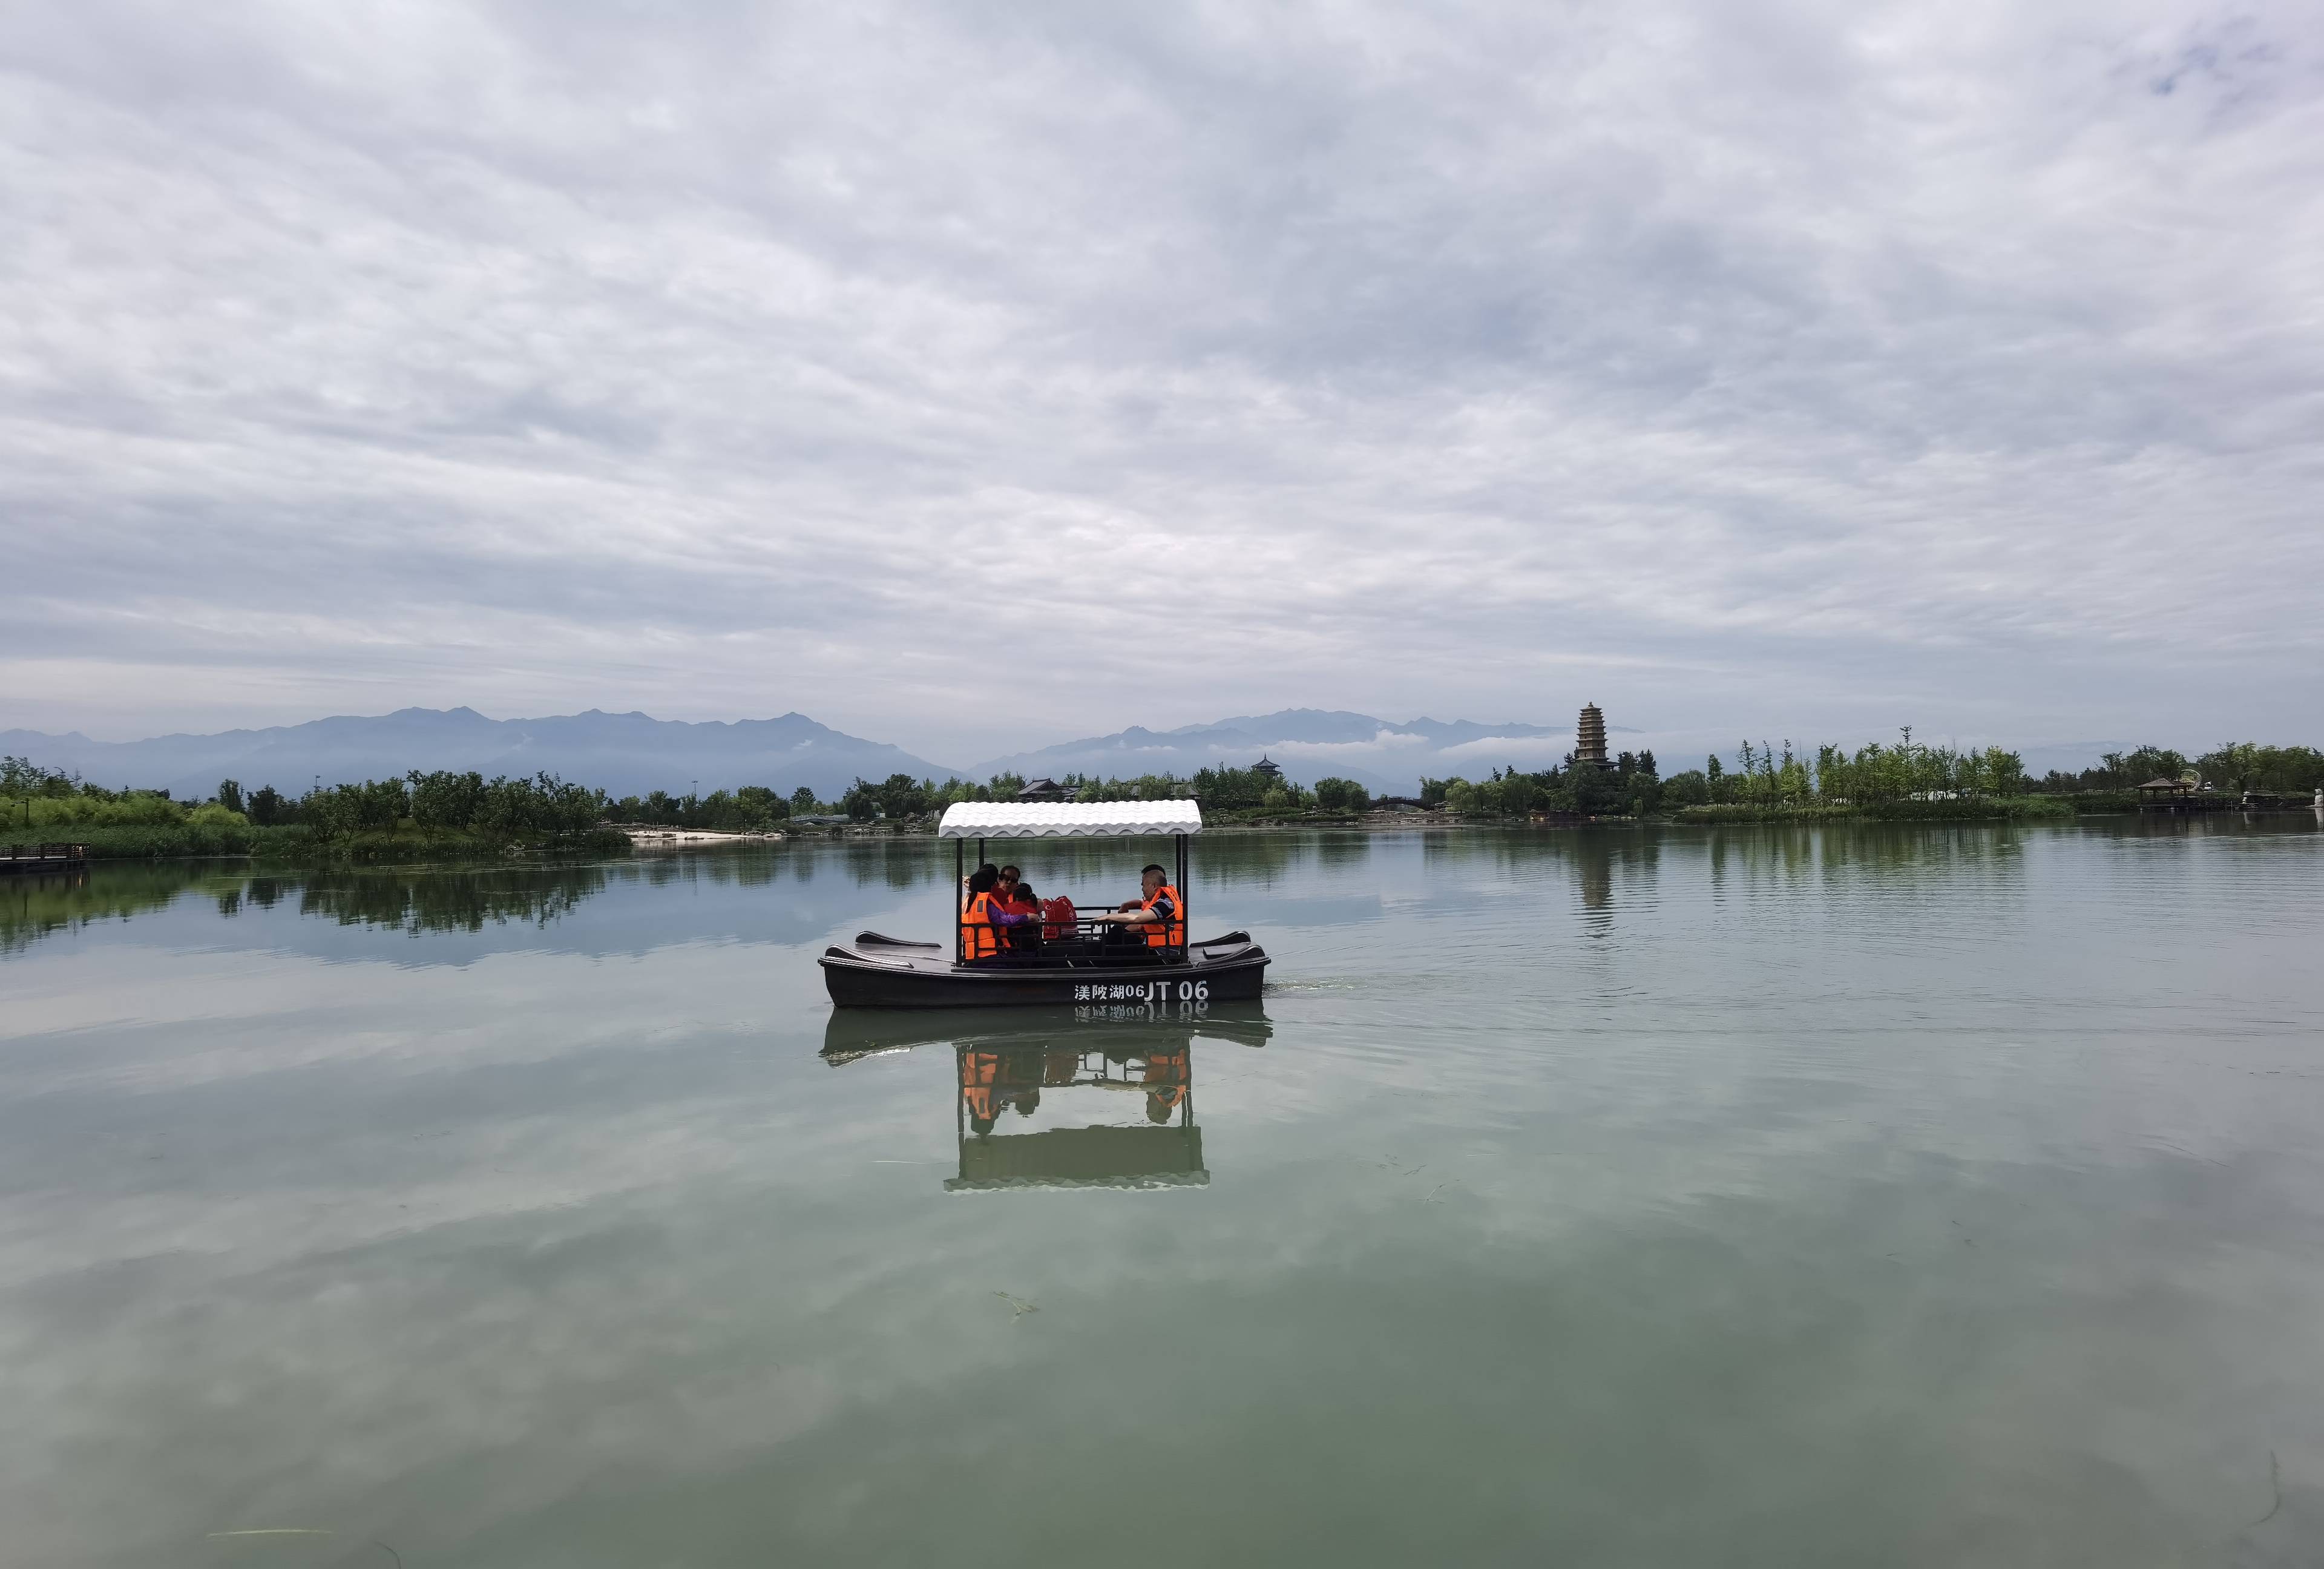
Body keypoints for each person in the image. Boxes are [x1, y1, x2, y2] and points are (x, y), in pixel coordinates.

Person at [1092, 863, 1184, 948]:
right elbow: (1141, 906)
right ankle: (1097, 956)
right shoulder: (1161, 900)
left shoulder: (1165, 903)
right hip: (1153, 947)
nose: (1142, 889)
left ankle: (1095, 958)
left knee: (1116, 935)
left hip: (1160, 954)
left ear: (1154, 886)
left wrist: (1109, 917)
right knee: (1116, 934)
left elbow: (1137, 918)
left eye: (1143, 885)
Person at [960, 865, 1042, 959]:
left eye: (1013, 880)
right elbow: (1003, 919)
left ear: (1017, 883)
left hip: (996, 946)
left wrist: (1038, 903)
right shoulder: (987, 900)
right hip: (993, 950)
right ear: (998, 879)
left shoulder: (1021, 894)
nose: (1008, 882)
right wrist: (1026, 917)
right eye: (1005, 878)